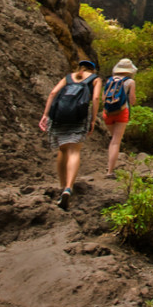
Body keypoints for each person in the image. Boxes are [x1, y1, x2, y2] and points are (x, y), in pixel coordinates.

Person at [38, 59, 101, 210]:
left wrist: (45, 115)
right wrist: (93, 120)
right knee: (74, 151)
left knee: (62, 149)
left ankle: (61, 186)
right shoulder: (95, 79)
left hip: (59, 116)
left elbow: (53, 93)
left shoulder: (68, 77)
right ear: (92, 70)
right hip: (78, 117)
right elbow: (96, 98)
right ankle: (68, 188)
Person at [102, 58, 137, 178]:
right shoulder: (130, 82)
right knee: (116, 142)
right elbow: (132, 101)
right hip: (122, 112)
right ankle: (110, 171)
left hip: (107, 112)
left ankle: (111, 165)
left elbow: (103, 98)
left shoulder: (109, 80)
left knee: (113, 140)